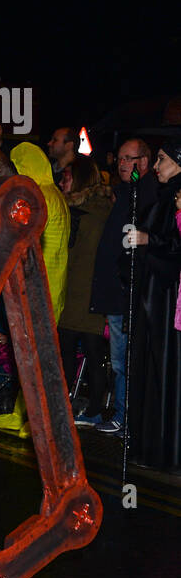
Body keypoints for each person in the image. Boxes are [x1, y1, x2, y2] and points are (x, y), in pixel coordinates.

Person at [0, 142, 69, 438]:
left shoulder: (36, 198)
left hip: (36, 288)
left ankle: (30, 419)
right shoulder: (56, 195)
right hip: (54, 289)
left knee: (31, 356)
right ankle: (28, 415)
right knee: (40, 356)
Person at [88, 137, 156, 434]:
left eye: (129, 159)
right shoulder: (125, 194)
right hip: (115, 293)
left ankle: (126, 417)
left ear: (144, 162)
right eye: (120, 159)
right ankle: (122, 415)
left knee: (124, 360)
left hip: (127, 294)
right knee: (119, 359)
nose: (122, 164)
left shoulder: (145, 195)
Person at [122, 140, 181, 468]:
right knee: (150, 370)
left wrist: (148, 239)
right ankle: (149, 447)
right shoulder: (161, 194)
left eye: (162, 159)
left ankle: (165, 451)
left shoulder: (177, 196)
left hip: (169, 298)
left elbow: (175, 246)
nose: (156, 166)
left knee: (165, 370)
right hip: (153, 295)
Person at [57, 155, 113, 427]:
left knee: (77, 350)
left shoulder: (83, 212)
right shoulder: (101, 207)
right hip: (87, 291)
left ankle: (80, 408)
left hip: (82, 290)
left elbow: (74, 252)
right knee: (90, 352)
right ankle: (91, 408)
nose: (62, 182)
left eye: (66, 177)